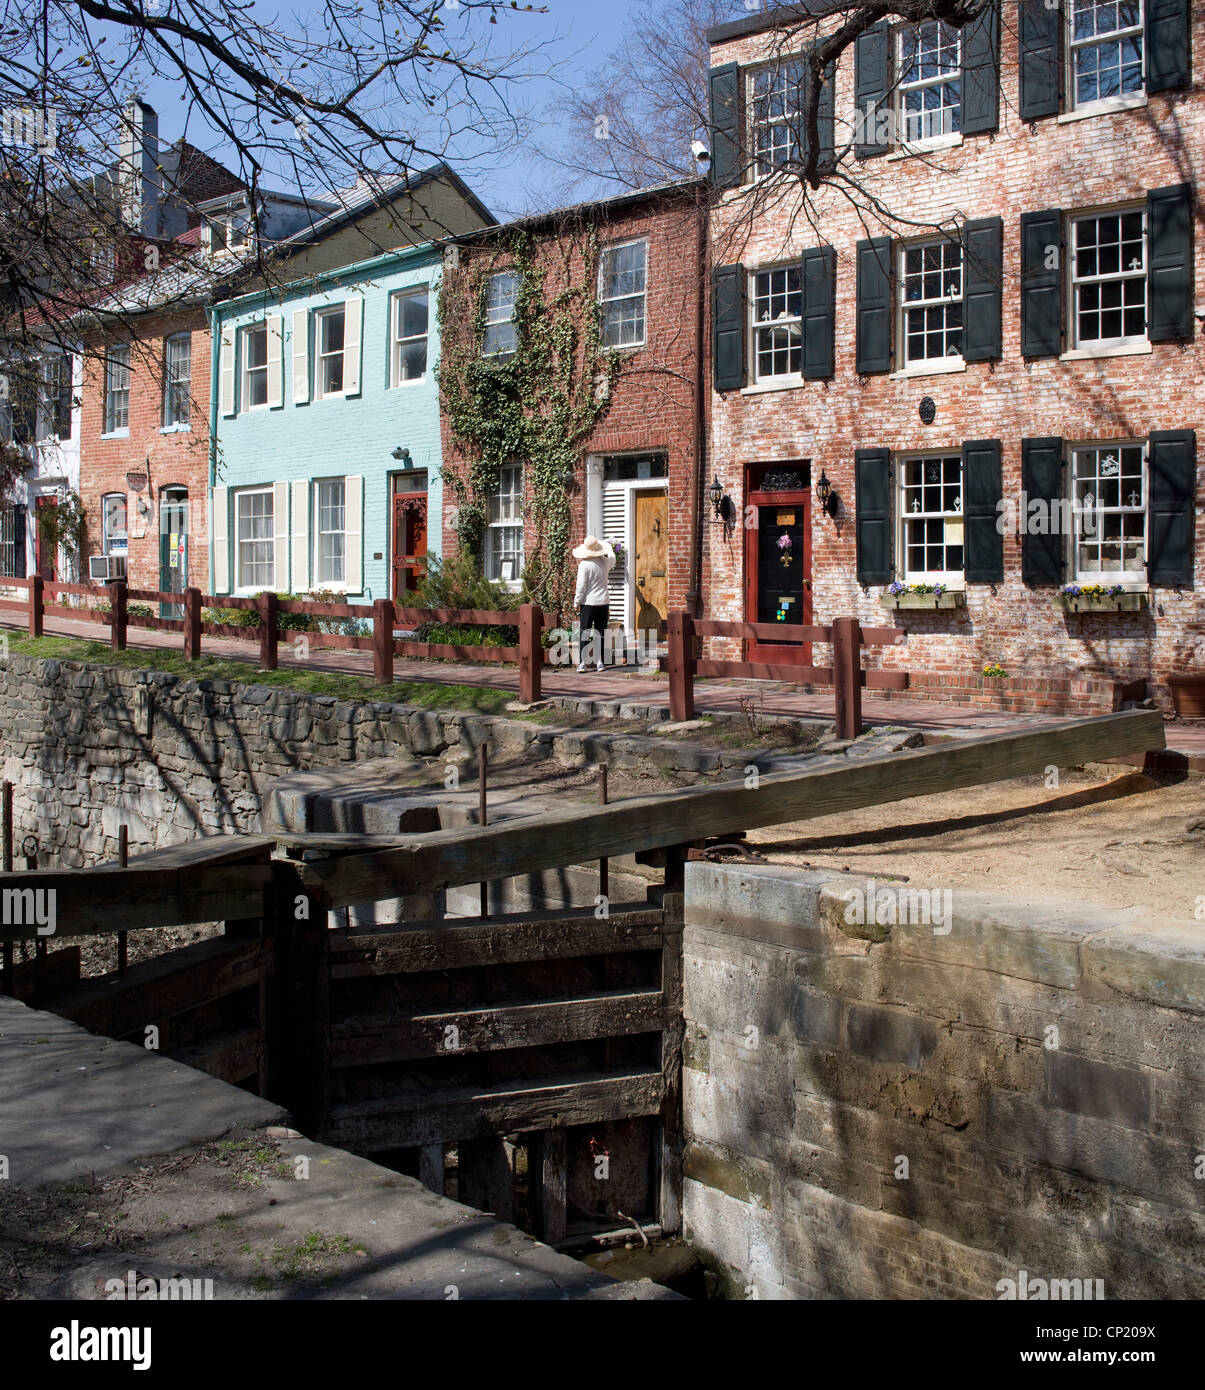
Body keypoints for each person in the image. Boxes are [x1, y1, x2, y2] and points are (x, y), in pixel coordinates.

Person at [572, 535, 616, 672]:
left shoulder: (584, 565)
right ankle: (600, 662)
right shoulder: (604, 563)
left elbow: (581, 587)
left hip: (588, 603)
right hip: (603, 602)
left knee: (584, 632)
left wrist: (576, 602)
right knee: (600, 633)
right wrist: (608, 546)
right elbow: (613, 558)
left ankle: (582, 663)